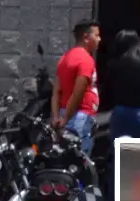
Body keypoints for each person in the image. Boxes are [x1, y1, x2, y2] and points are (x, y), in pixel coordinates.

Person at [52, 20, 100, 155]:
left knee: (65, 156)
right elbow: (78, 92)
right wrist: (66, 118)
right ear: (86, 37)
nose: (99, 39)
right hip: (79, 116)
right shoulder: (85, 59)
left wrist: (56, 117)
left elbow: (56, 92)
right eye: (96, 36)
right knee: (80, 160)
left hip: (63, 113)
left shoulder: (64, 58)